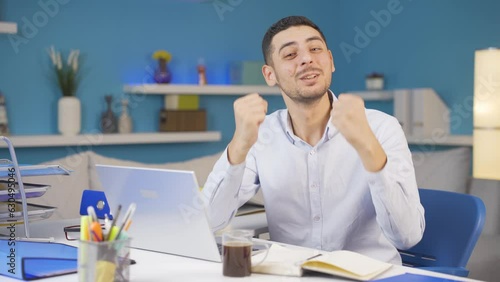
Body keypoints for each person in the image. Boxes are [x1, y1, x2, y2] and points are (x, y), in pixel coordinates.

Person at [202, 15, 425, 264]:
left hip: (371, 276)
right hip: (292, 274)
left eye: (315, 49)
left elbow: (407, 237)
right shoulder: (260, 134)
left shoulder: (382, 128)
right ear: (269, 74)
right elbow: (208, 221)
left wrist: (367, 146)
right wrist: (239, 146)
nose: (307, 58)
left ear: (330, 61)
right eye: (290, 55)